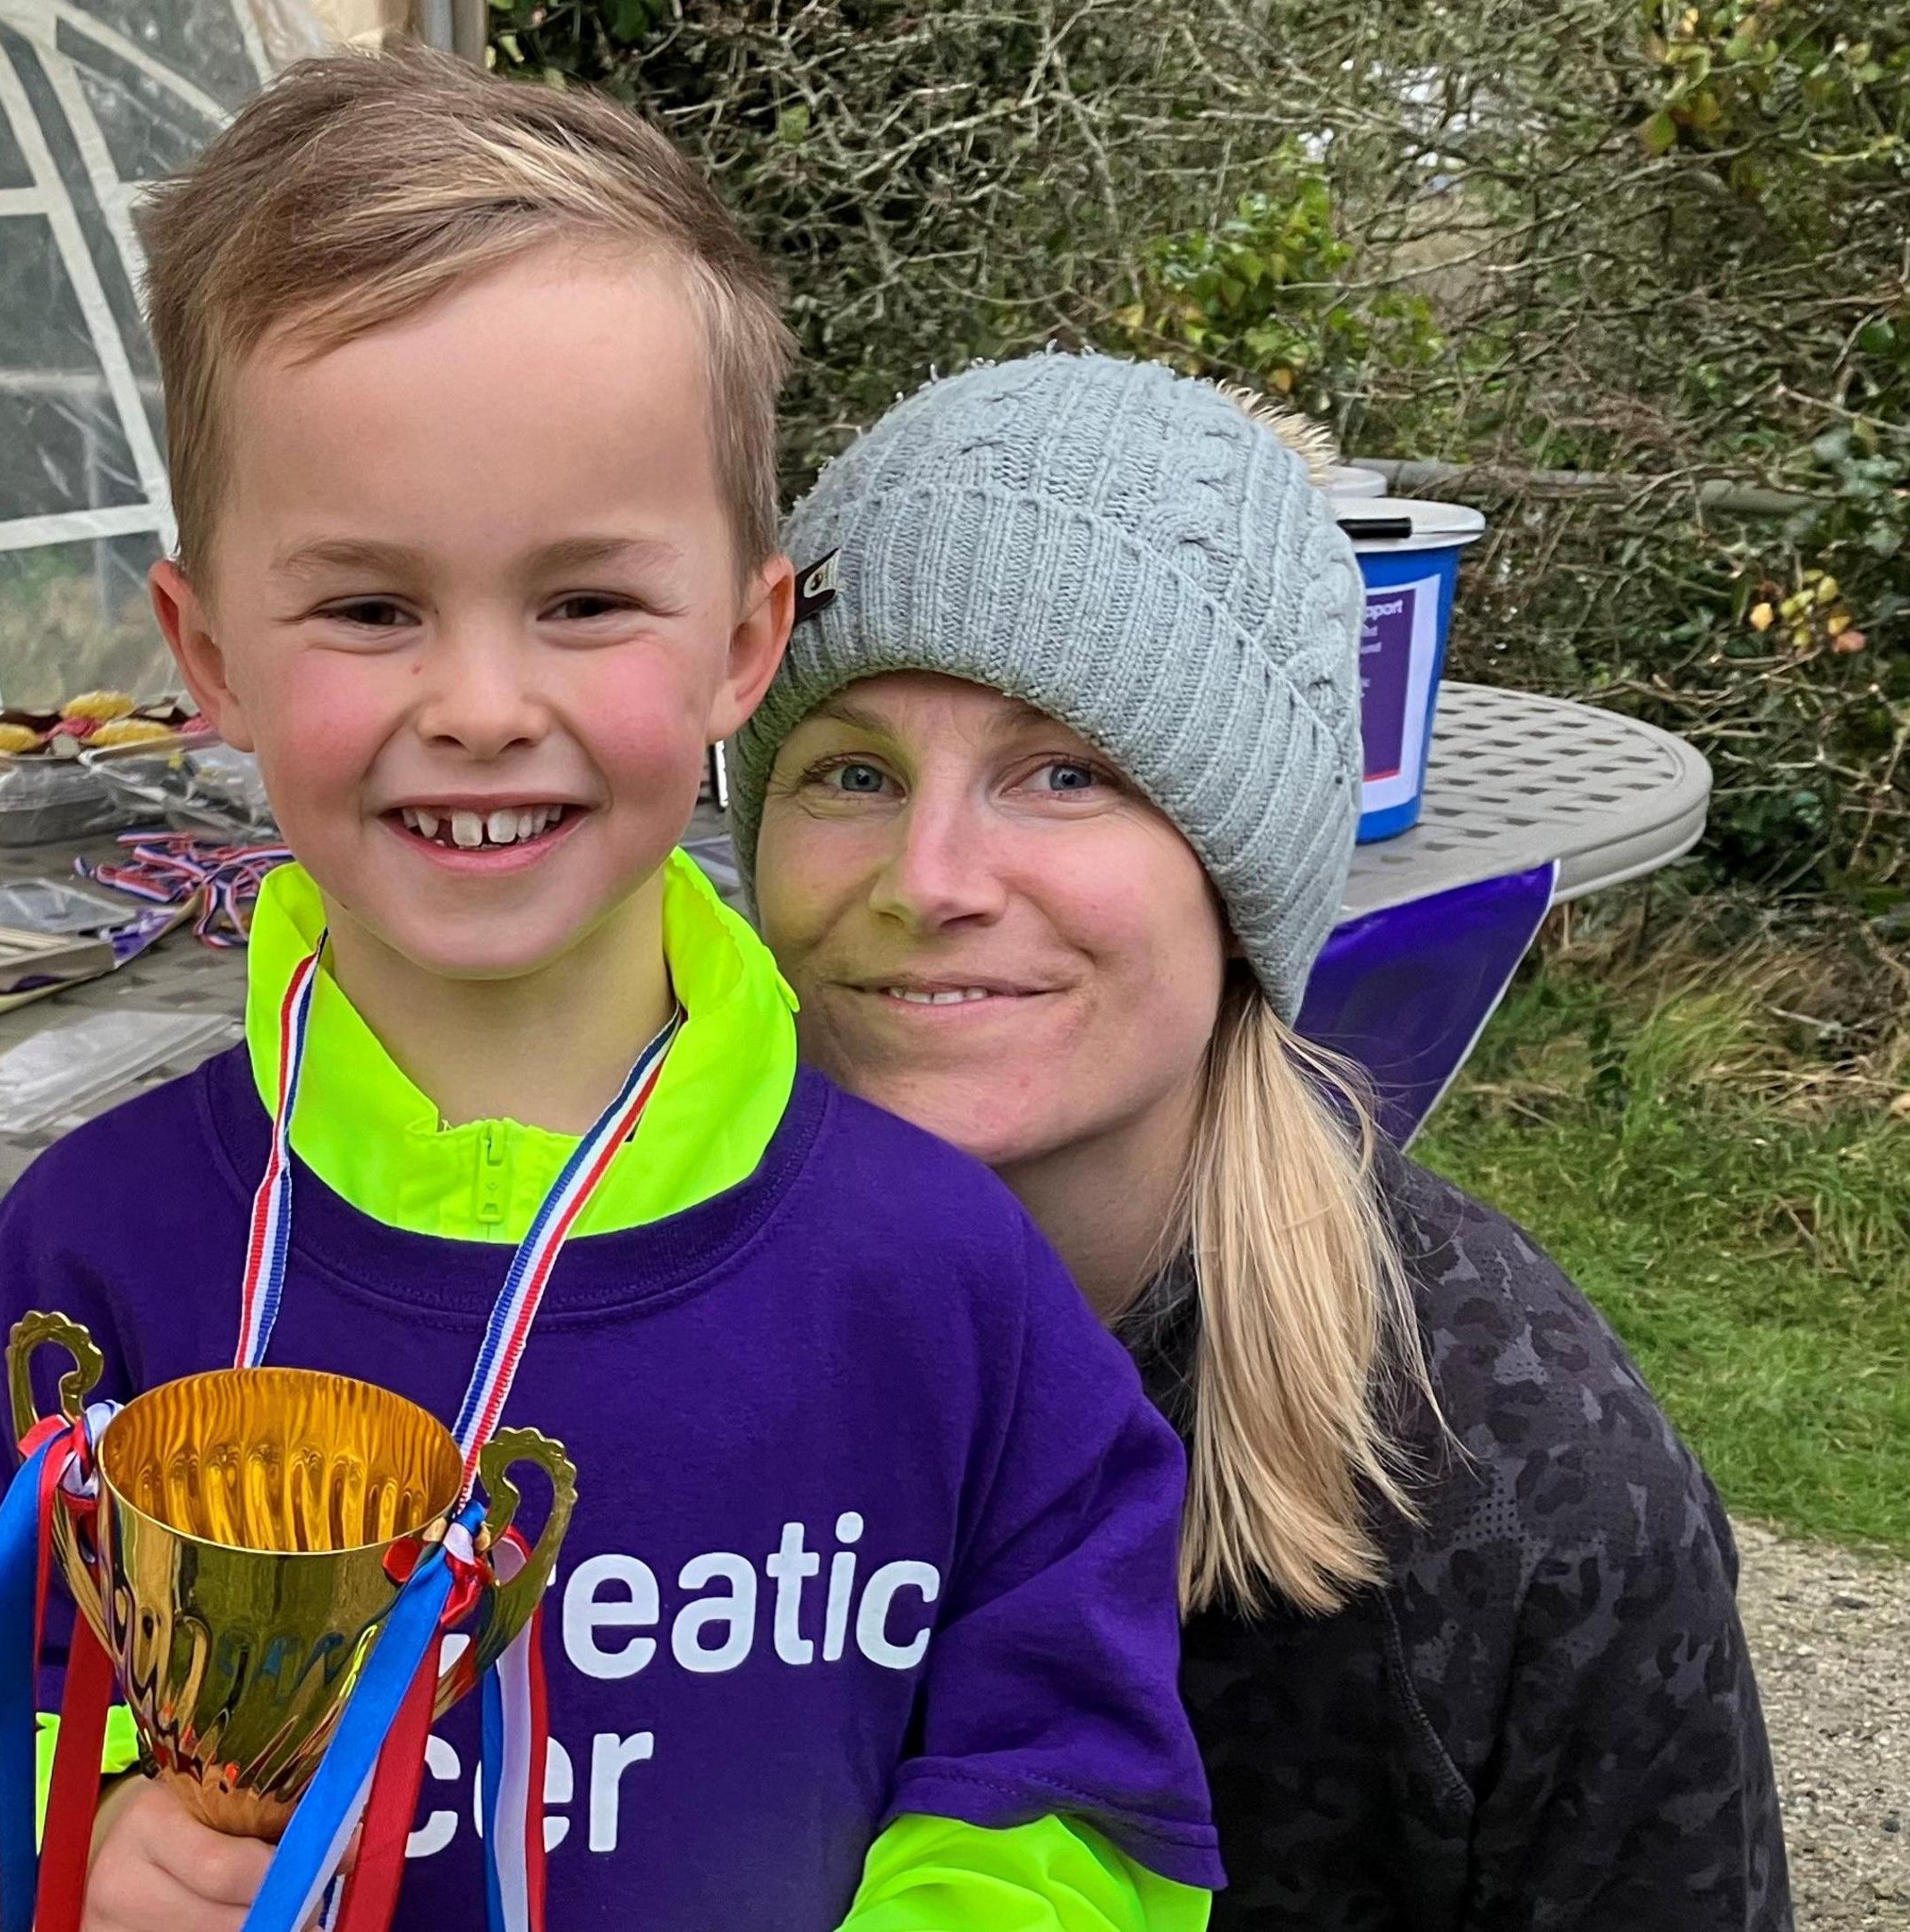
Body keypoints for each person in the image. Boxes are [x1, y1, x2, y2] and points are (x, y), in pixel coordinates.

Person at [0, 57, 1226, 1932]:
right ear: (208, 654)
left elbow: (1083, 1801)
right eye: (371, 609)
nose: (480, 701)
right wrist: (64, 1856)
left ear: (742, 644)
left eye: (581, 602)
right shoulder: (90, 1264)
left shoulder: (951, 1289)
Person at [727, 352, 1795, 1930]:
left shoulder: (1521, 1494)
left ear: (1244, 879)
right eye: (853, 771)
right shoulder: (599, 1322)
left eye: (1067, 772)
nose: (927, 874)